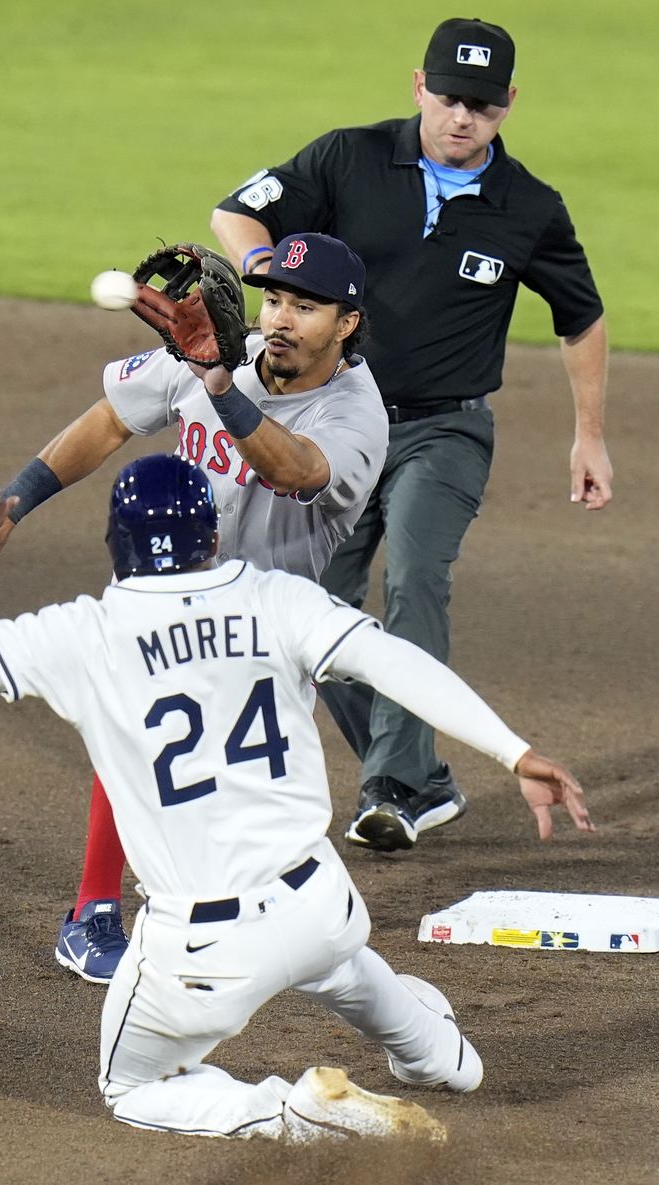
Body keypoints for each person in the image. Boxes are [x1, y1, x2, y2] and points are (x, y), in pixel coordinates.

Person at [0, 456, 594, 1141]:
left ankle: (289, 1114)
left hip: (202, 951)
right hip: (322, 900)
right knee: (341, 963)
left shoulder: (82, 636)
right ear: (213, 536)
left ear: (115, 545)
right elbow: (397, 662)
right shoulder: (277, 599)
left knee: (131, 1083)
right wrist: (516, 752)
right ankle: (441, 1057)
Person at [210, 16, 612, 858]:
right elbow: (236, 214)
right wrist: (272, 278)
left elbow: (581, 318)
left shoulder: (529, 207)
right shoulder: (348, 157)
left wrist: (590, 436)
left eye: (484, 104)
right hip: (334, 424)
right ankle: (427, 779)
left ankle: (393, 786)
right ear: (418, 86)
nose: (463, 117)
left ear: (508, 105)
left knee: (417, 577)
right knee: (312, 609)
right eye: (450, 97)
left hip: (446, 429)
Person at [0, 234, 389, 983]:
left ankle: (232, 912)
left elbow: (294, 469)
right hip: (168, 592)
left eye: (306, 306)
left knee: (243, 787)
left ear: (347, 323)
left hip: (269, 628)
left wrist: (220, 386)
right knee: (142, 723)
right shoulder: (214, 353)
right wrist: (15, 501)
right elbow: (107, 422)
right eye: (276, 300)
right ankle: (92, 912)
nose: (283, 319)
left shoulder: (356, 412)